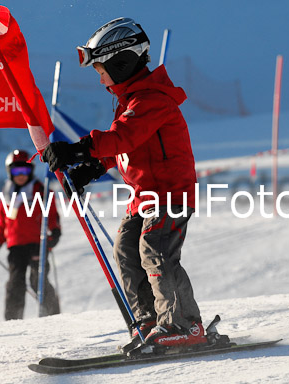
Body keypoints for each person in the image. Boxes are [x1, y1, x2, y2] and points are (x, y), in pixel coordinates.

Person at [42, 17, 209, 353]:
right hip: (144, 197)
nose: (100, 77)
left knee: (155, 251)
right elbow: (124, 147)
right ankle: (148, 321)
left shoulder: (153, 99)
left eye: (101, 69)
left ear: (122, 62)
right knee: (126, 250)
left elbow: (124, 136)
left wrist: (77, 149)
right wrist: (90, 169)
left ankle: (184, 325)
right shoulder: (131, 100)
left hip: (170, 194)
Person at [0, 149, 61, 320]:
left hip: (38, 244)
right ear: (9, 172)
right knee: (15, 283)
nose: (21, 175)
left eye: (25, 171)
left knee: (38, 280)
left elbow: (51, 213)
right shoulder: (6, 195)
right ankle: (13, 320)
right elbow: (3, 225)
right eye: (16, 171)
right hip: (16, 246)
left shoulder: (41, 191)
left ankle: (54, 316)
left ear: (31, 171)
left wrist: (55, 231)